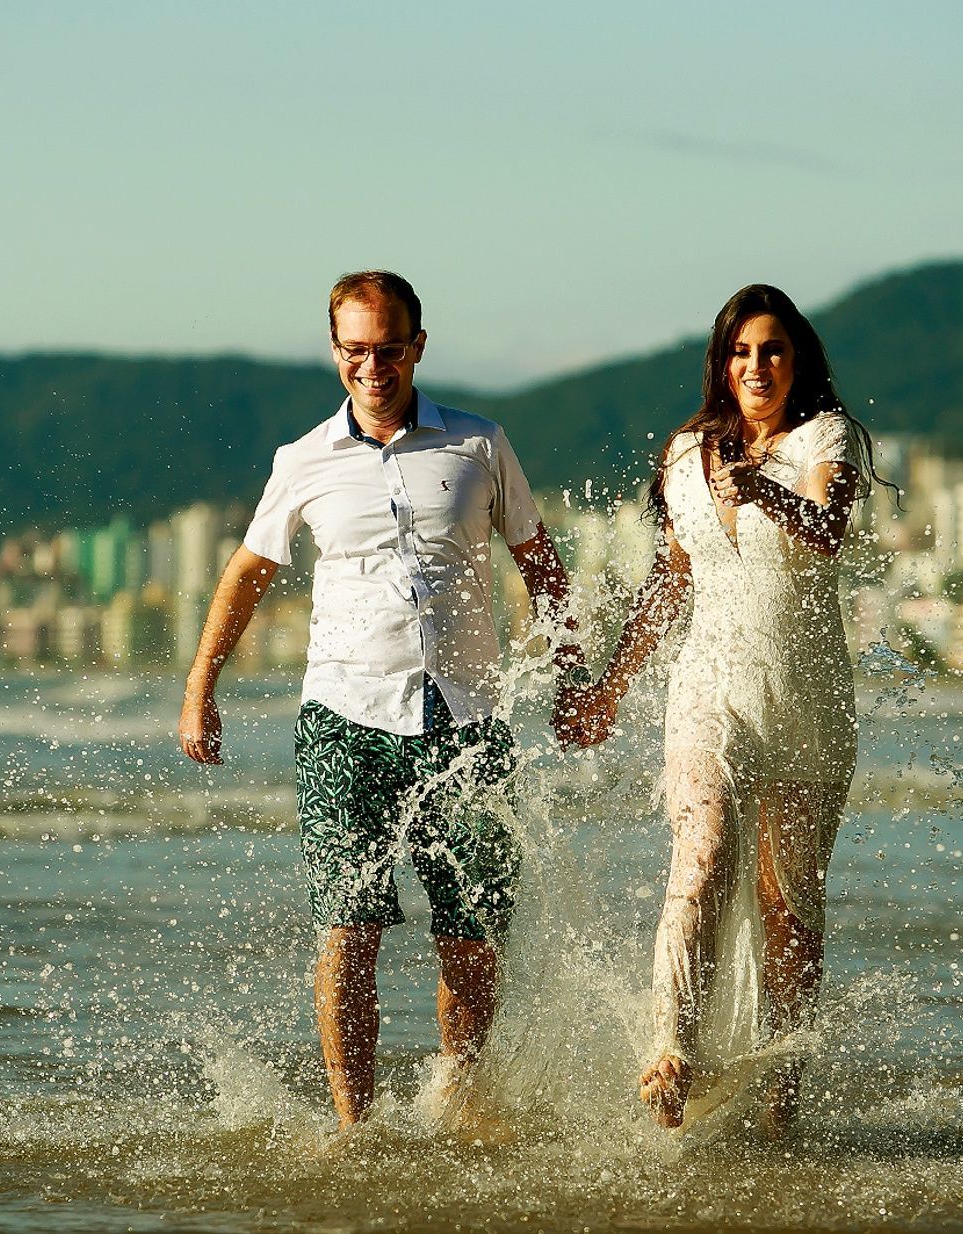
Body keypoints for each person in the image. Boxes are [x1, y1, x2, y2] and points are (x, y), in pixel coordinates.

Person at [179, 270, 583, 1131]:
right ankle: (354, 1131)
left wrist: (578, 678)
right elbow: (246, 576)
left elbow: (542, 564)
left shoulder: (479, 445)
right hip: (343, 723)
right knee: (347, 934)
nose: (373, 365)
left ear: (418, 347)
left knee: (471, 943)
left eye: (388, 348)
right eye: (355, 349)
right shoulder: (302, 461)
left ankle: (460, 1101)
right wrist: (199, 691)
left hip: (467, 721)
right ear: (336, 353)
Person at [556, 284, 892, 1130]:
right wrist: (610, 686)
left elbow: (827, 530)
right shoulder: (685, 454)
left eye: (773, 351)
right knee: (702, 856)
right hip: (709, 689)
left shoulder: (829, 436)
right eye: (741, 353)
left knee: (787, 908)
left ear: (799, 360)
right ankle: (670, 1047)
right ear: (721, 363)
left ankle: (782, 1100)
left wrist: (760, 490)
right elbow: (670, 583)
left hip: (806, 700)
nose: (757, 367)